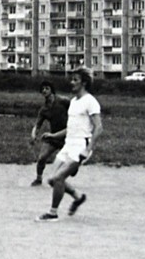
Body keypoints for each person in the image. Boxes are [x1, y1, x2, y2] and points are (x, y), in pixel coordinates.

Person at [36, 67, 102, 222]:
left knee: (59, 178)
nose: (71, 82)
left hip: (81, 146)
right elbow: (70, 128)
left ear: (84, 83)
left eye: (75, 80)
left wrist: (88, 149)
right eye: (71, 79)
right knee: (52, 180)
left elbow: (99, 128)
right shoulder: (73, 102)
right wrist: (53, 135)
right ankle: (78, 197)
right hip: (68, 145)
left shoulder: (90, 101)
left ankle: (52, 213)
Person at [30, 80, 69, 186]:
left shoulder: (63, 101)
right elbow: (37, 125)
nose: (44, 90)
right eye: (42, 89)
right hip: (54, 136)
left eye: (47, 88)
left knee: (70, 164)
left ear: (52, 90)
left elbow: (76, 110)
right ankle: (38, 179)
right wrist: (34, 134)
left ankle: (67, 173)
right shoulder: (44, 110)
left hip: (68, 136)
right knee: (41, 158)